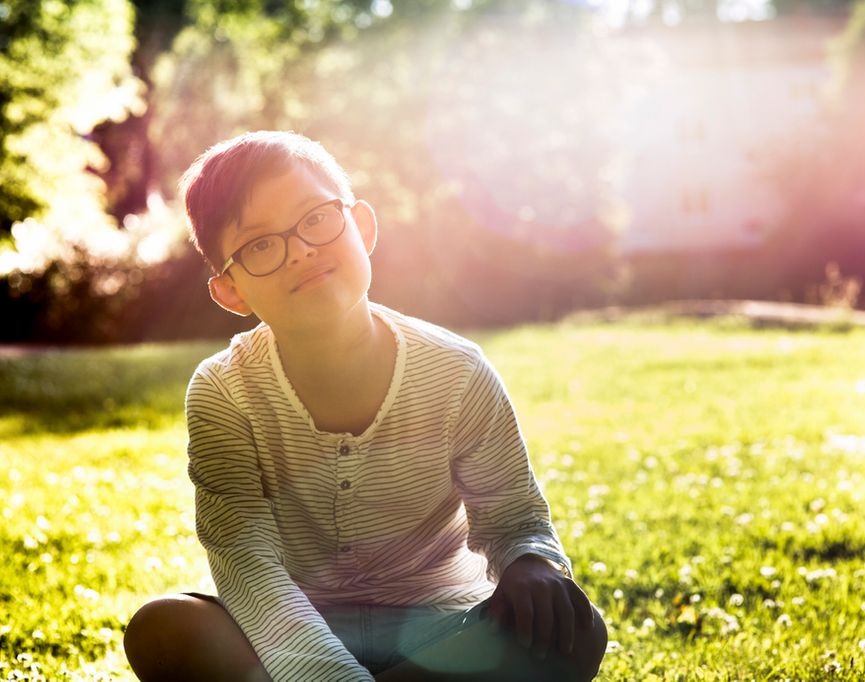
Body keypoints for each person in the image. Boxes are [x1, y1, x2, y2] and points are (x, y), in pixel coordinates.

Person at [122, 130, 607, 681]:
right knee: (163, 627)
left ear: (364, 227)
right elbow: (245, 560)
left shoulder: (458, 371)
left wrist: (529, 563)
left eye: (317, 218)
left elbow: (515, 520)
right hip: (291, 636)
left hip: (443, 632)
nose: (301, 249)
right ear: (230, 292)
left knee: (574, 626)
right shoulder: (223, 392)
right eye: (260, 244)